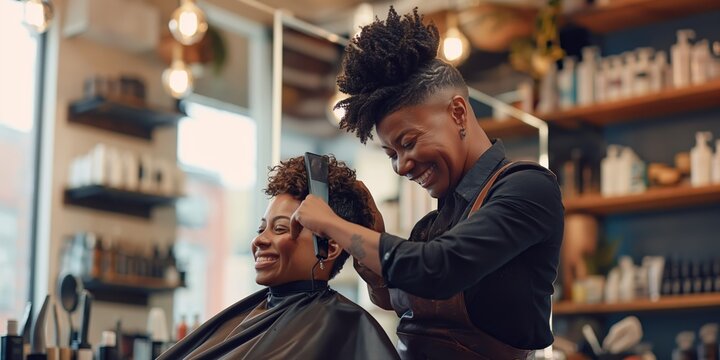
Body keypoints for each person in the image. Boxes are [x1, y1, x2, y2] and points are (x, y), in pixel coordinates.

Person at [289, 7, 564, 359]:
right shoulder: (432, 226)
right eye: (391, 154)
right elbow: (391, 296)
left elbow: (438, 268)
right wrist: (370, 234)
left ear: (458, 113)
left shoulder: (528, 188)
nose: (402, 167)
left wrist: (332, 224)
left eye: (407, 143)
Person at [159, 155, 399, 360]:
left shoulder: (346, 326)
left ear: (330, 246)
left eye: (281, 229)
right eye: (261, 229)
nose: (259, 241)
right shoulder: (252, 314)